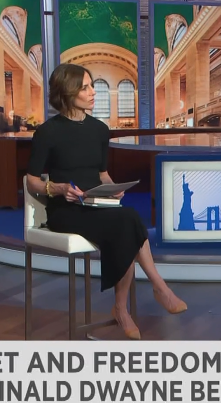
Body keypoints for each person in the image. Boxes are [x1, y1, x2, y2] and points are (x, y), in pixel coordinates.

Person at [25, 63, 187, 340]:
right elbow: (31, 181)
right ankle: (155, 289)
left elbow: (102, 174)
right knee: (127, 222)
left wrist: (113, 189)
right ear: (67, 92)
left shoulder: (99, 130)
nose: (93, 92)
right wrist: (57, 188)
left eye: (92, 86)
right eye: (85, 87)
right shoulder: (48, 132)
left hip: (97, 204)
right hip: (66, 209)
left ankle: (125, 306)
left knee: (126, 218)